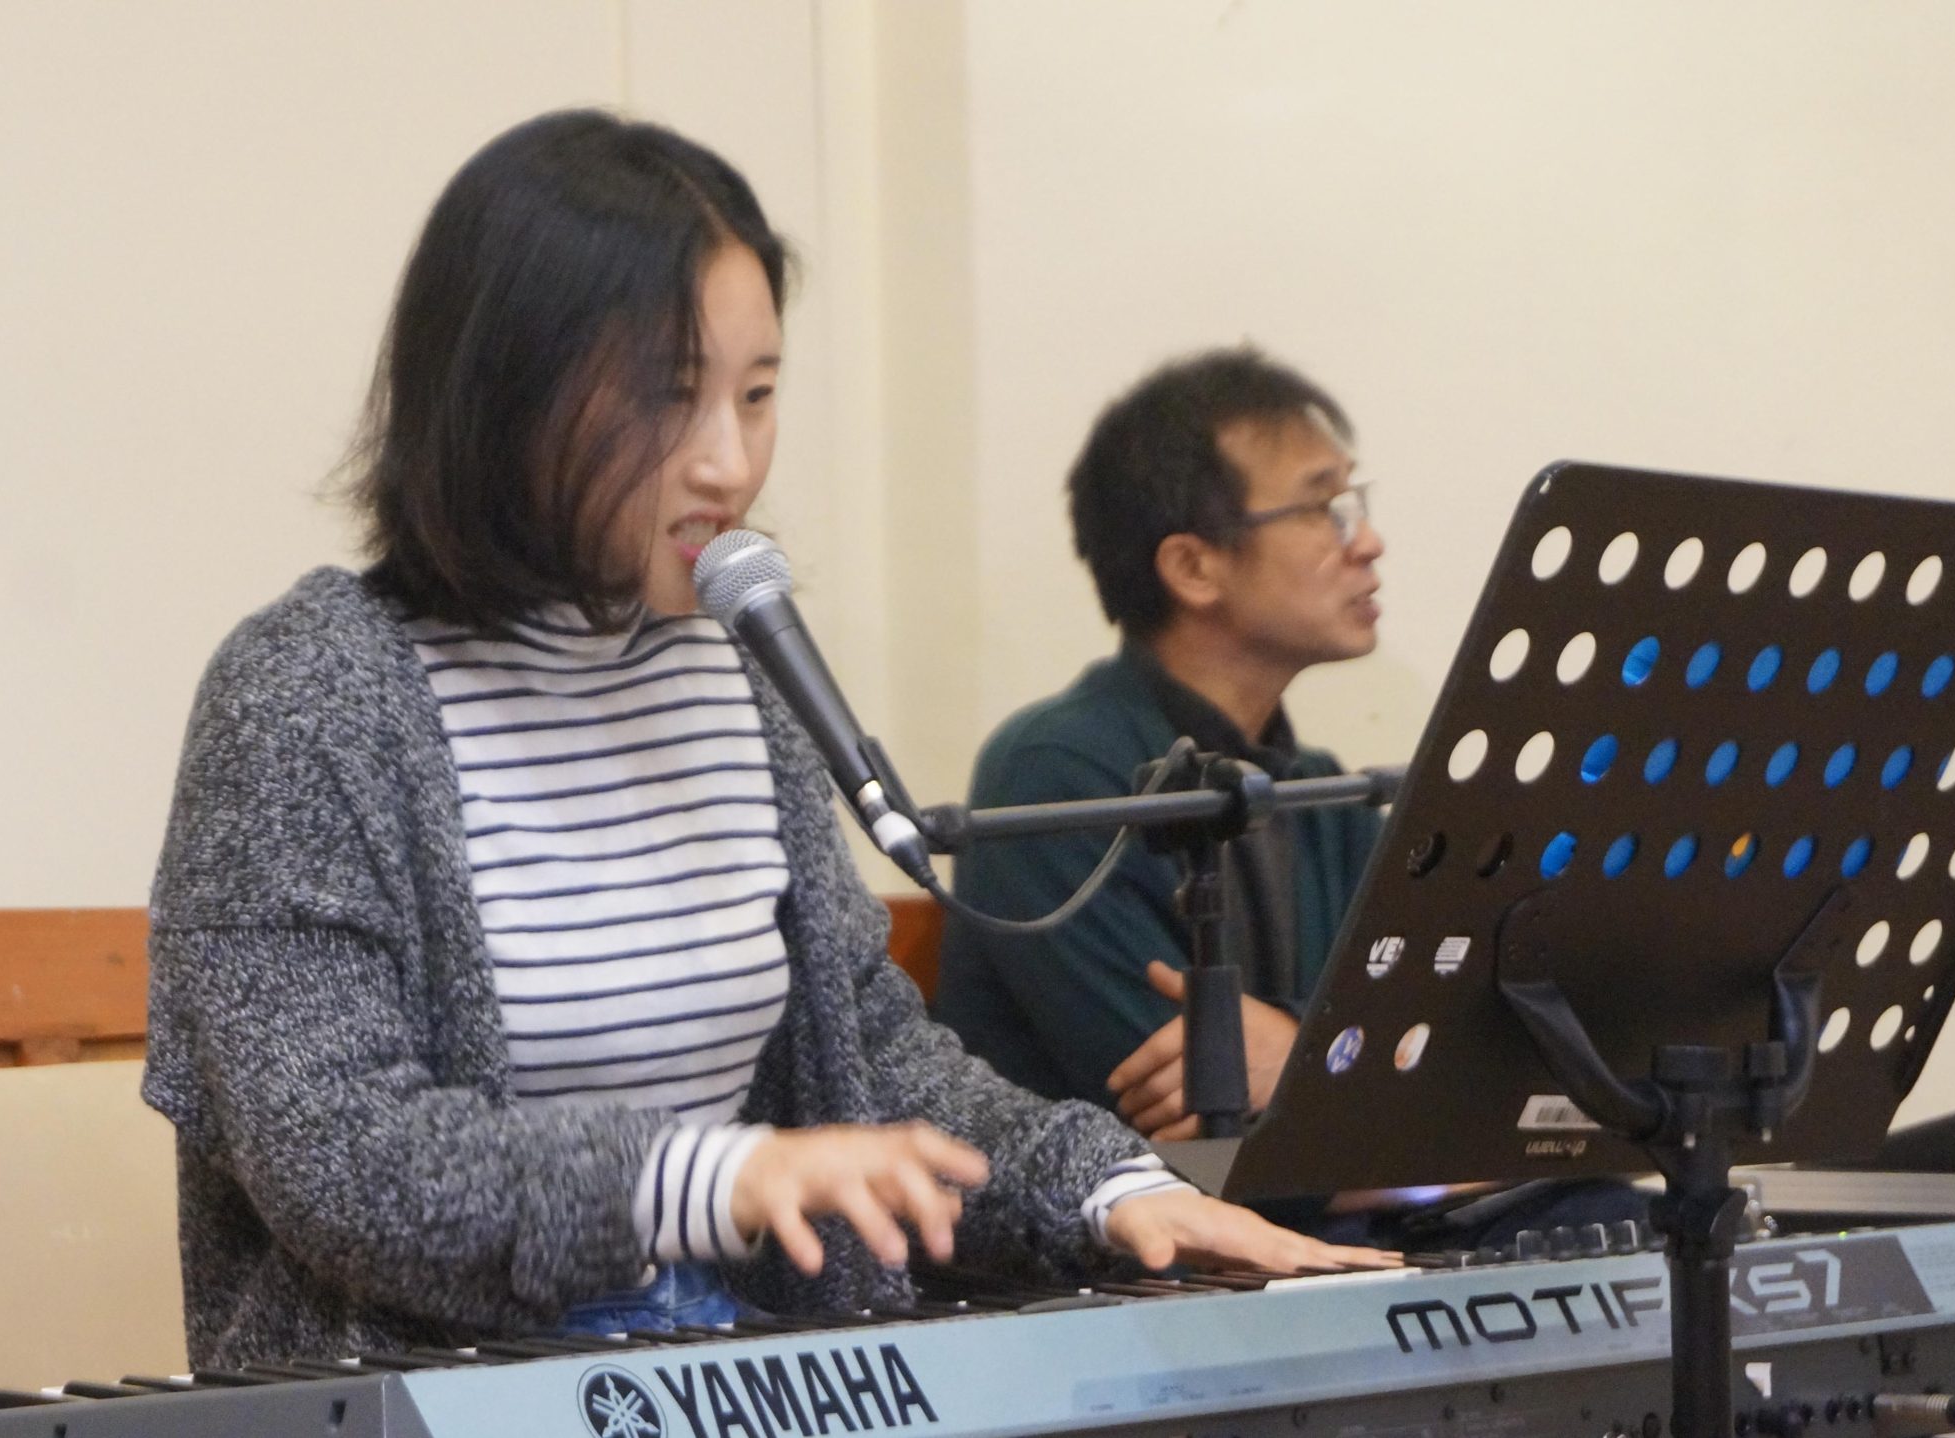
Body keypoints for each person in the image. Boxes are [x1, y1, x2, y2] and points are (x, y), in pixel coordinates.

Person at [142, 113, 1393, 1368]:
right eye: (669, 397)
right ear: (504, 392)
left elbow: (870, 1066)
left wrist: (1111, 1190)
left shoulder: (729, 672)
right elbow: (343, 1156)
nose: (728, 464)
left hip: (730, 1362)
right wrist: (724, 1176)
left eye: (756, 394)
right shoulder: (310, 696)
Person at [932, 349, 1386, 1138]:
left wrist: (1301, 1056)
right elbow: (1191, 1120)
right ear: (1193, 567)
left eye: (1355, 502)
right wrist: (1335, 1061)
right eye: (1324, 509)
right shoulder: (1056, 776)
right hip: (1111, 1213)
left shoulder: (1323, 791)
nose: (1368, 542)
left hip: (1335, 1212)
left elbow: (1421, 1053)